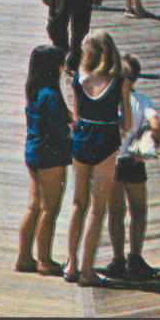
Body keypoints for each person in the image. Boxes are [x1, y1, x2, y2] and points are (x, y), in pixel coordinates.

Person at [64, 30, 132, 287]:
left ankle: (70, 264)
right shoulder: (119, 81)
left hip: (81, 138)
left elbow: (77, 114)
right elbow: (125, 121)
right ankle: (86, 269)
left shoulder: (78, 79)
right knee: (97, 207)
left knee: (77, 202)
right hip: (106, 139)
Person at [103, 53, 160, 281]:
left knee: (116, 211)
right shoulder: (142, 100)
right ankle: (136, 258)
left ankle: (117, 259)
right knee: (138, 209)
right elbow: (156, 125)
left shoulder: (108, 100)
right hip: (134, 159)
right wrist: (154, 139)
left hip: (113, 159)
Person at [15, 45, 72, 277]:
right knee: (50, 208)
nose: (63, 68)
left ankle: (24, 257)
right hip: (51, 156)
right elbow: (59, 130)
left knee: (33, 207)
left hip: (34, 152)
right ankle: (44, 260)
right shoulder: (51, 94)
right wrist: (72, 130)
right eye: (62, 64)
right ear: (54, 67)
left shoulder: (35, 90)